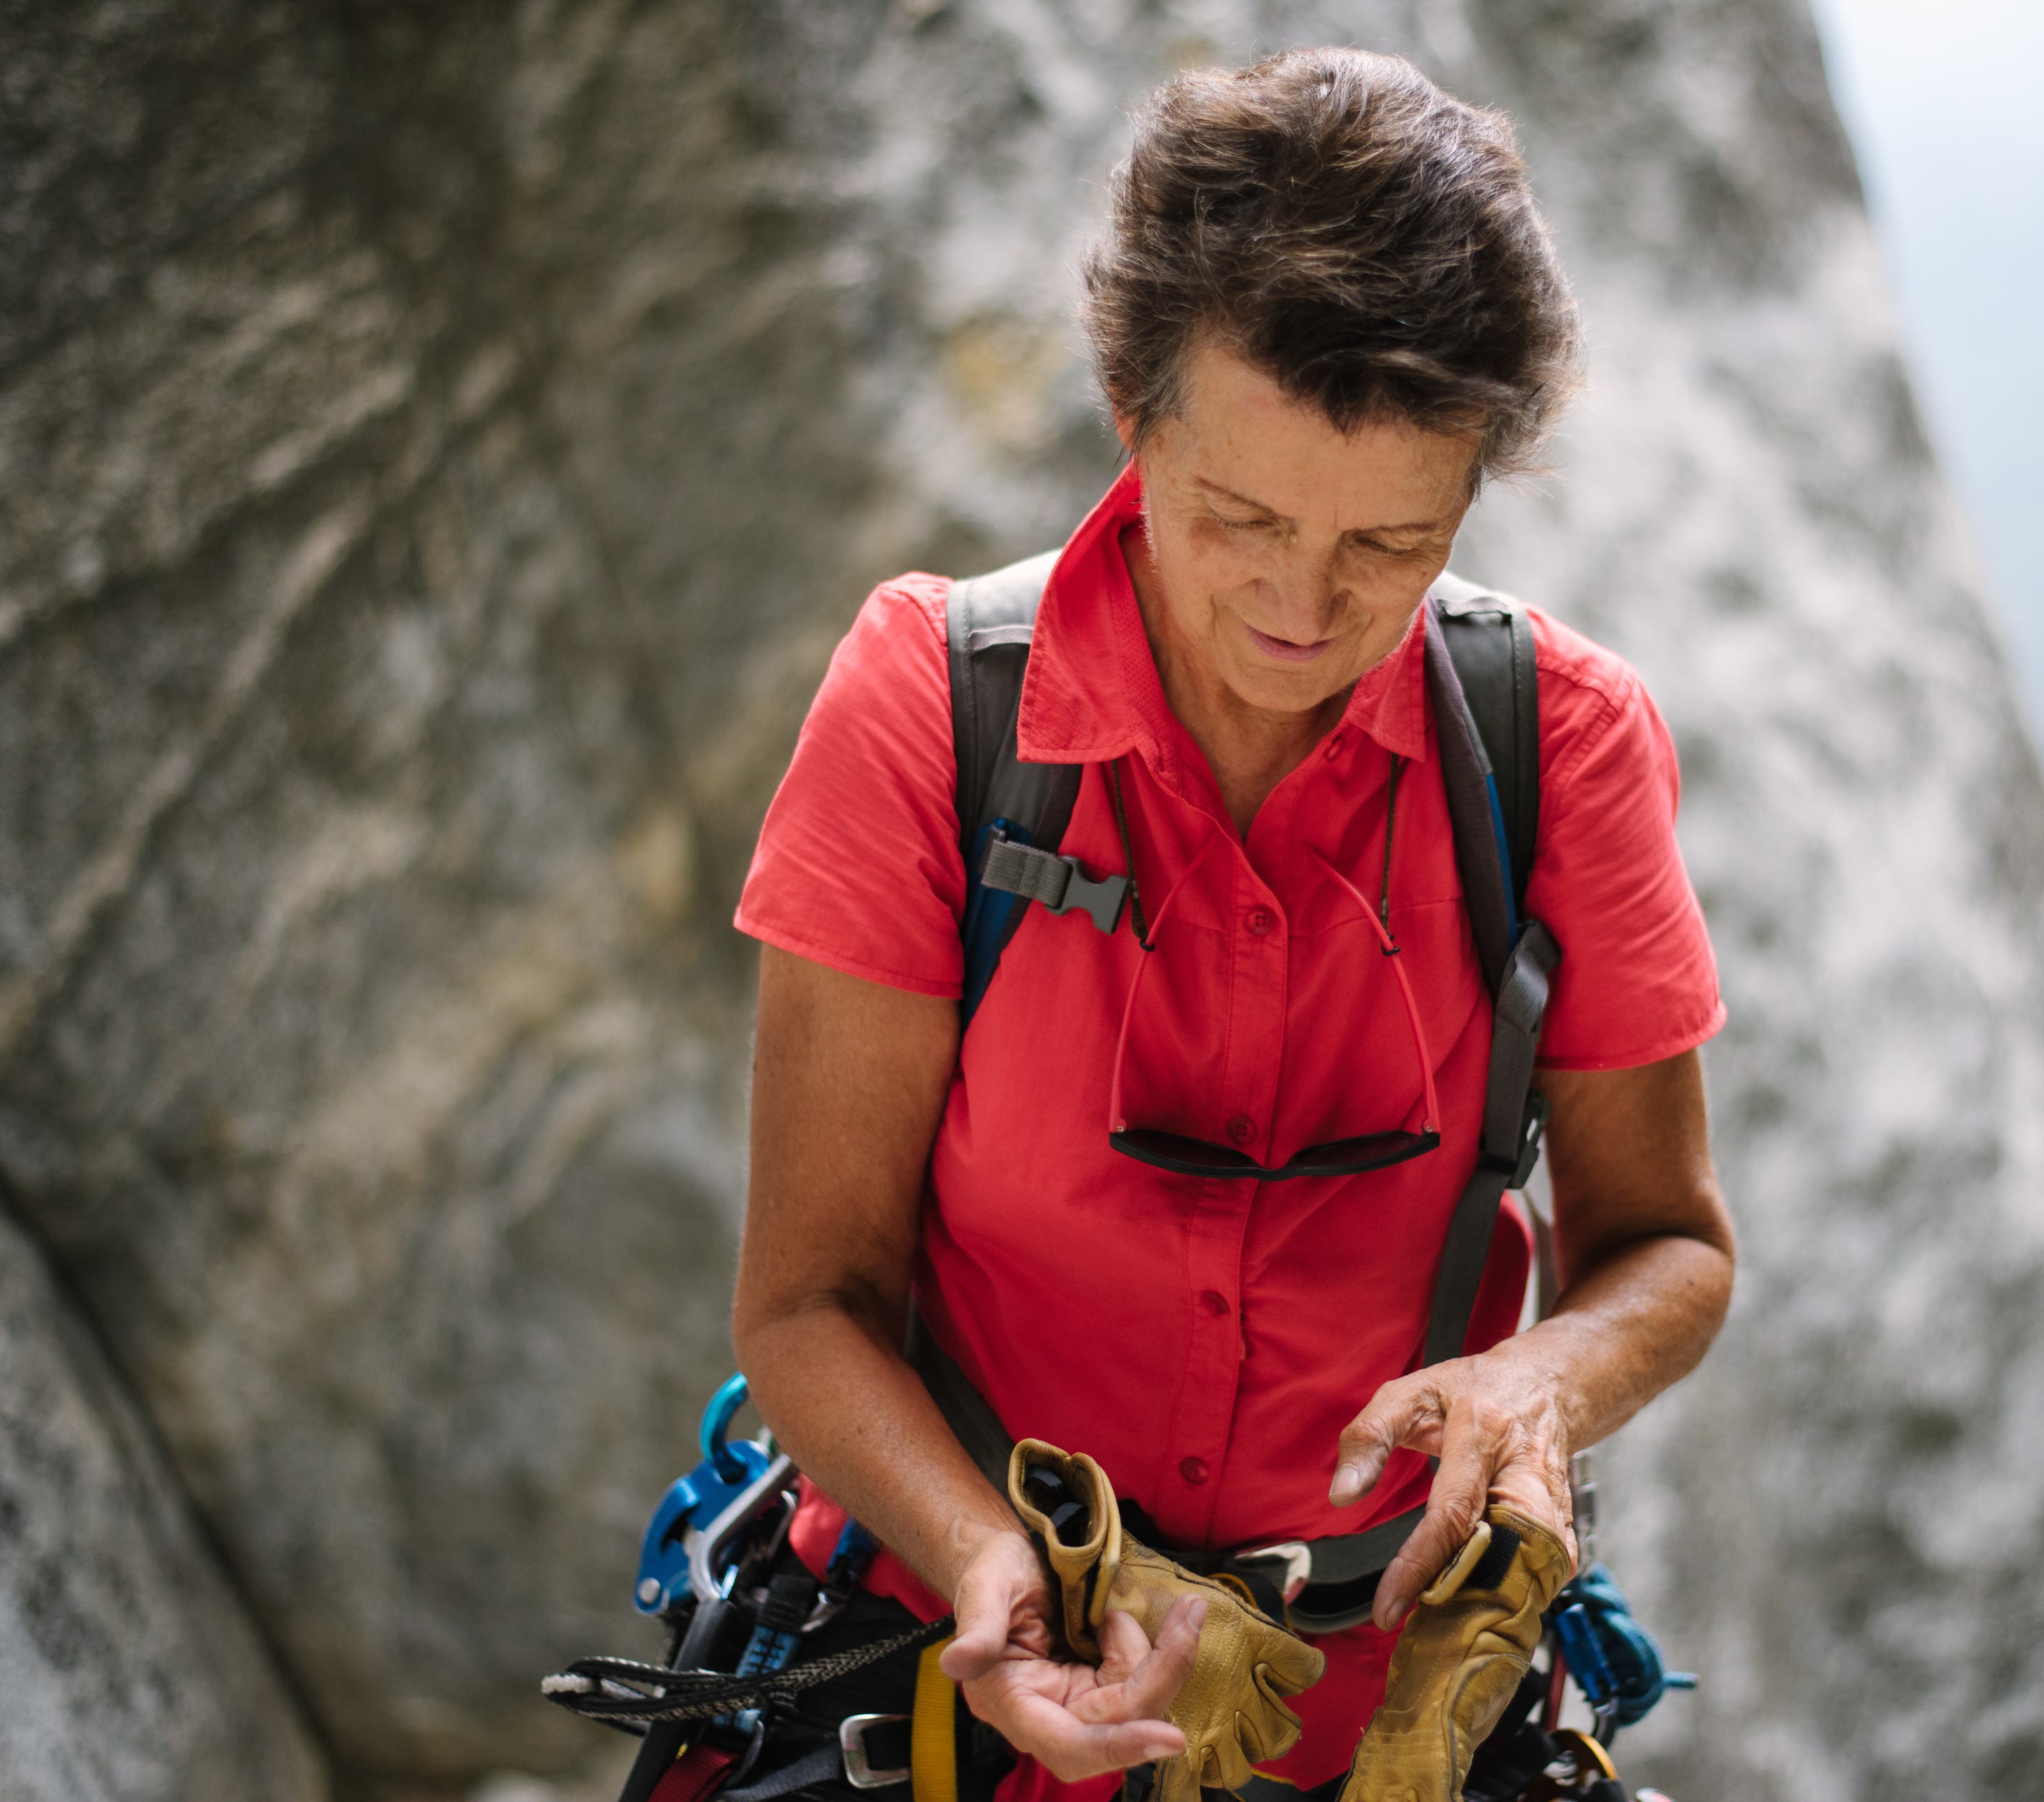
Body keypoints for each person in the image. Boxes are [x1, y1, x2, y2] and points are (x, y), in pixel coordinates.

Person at [729, 46, 1736, 1802]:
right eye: (1241, 517)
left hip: (1385, 1726)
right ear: (1133, 411)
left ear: (1474, 492)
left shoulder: (1559, 747)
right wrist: (991, 1562)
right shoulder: (936, 712)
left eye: (1389, 543)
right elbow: (811, 1301)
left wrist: (1544, 1381)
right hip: (942, 1677)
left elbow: (1669, 1245)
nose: (1301, 601)